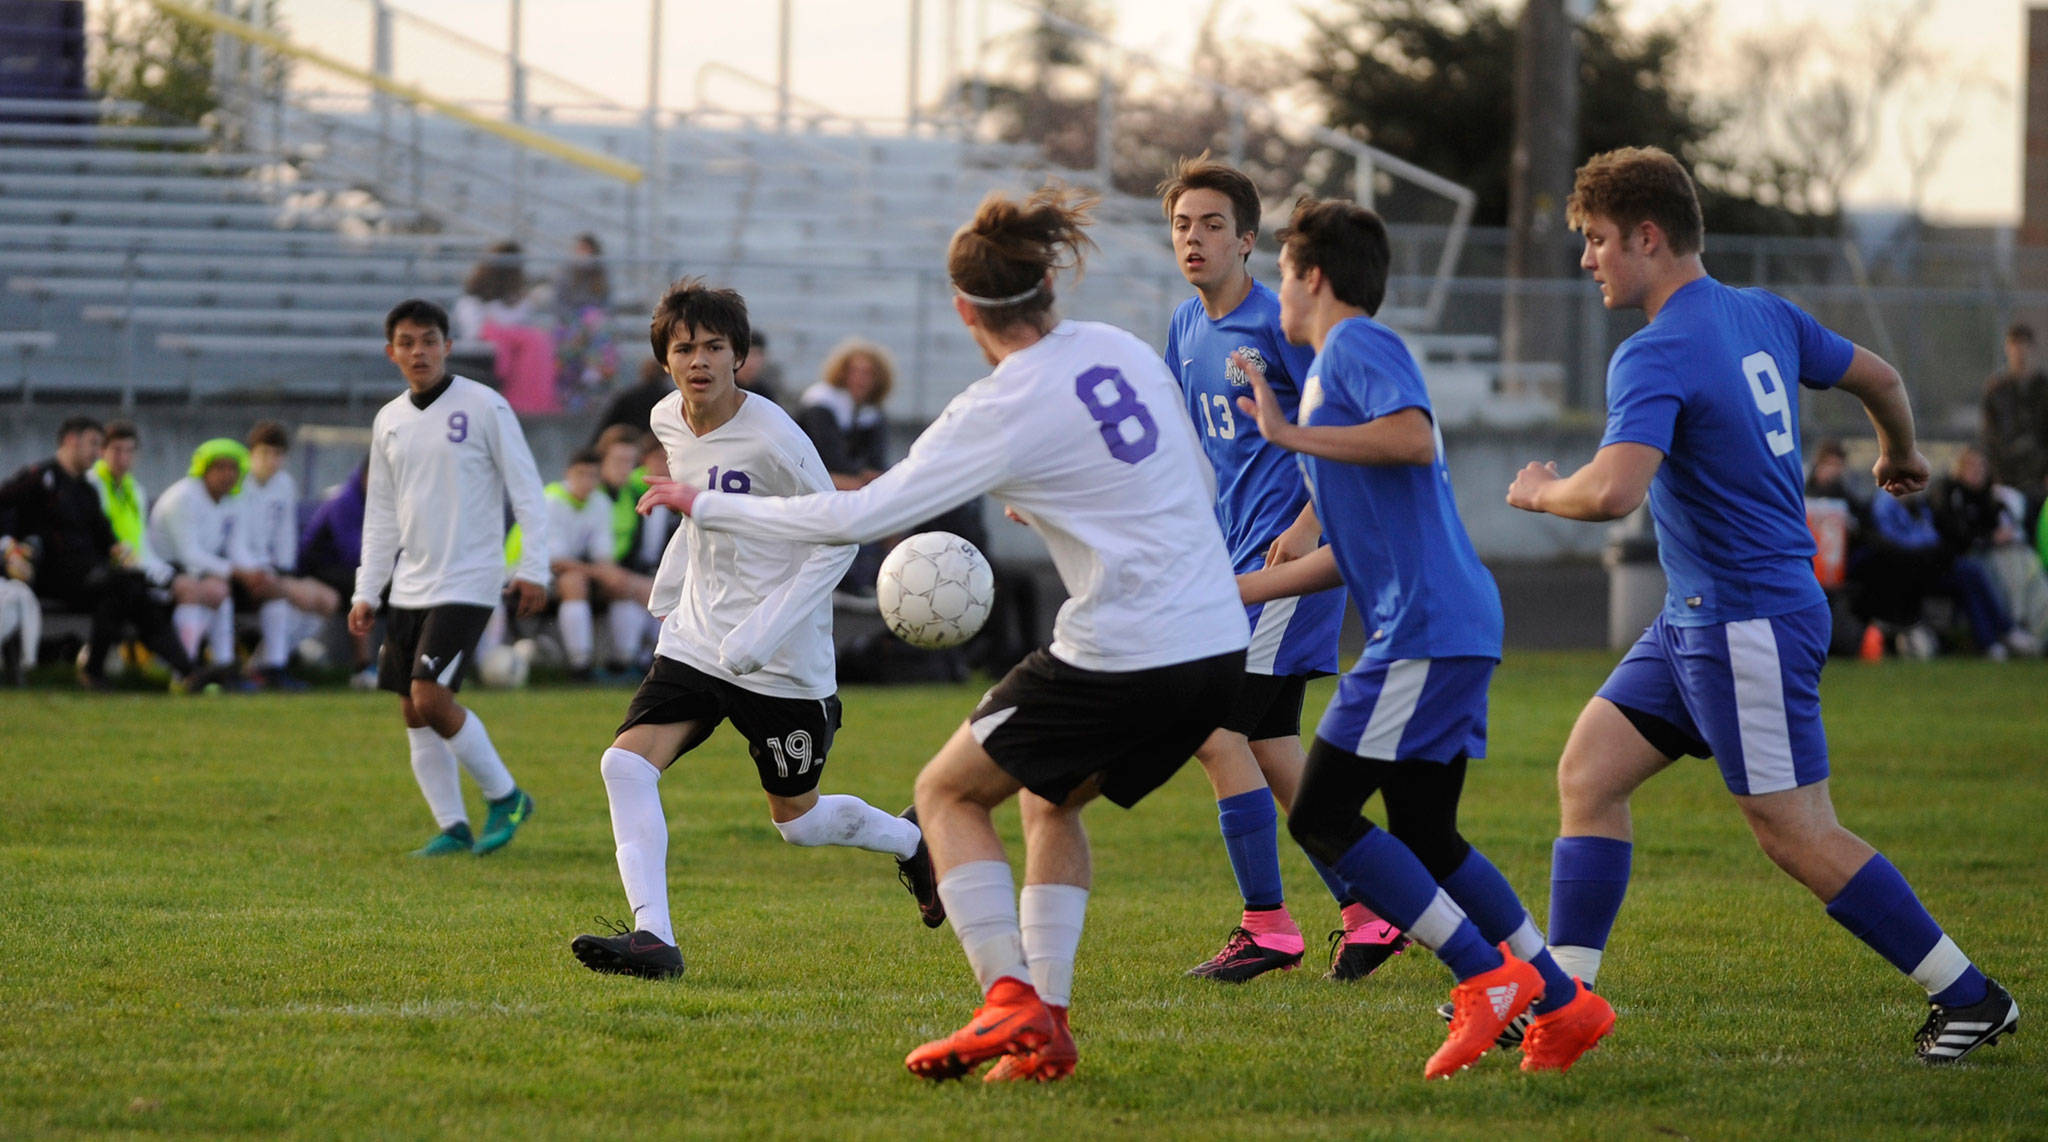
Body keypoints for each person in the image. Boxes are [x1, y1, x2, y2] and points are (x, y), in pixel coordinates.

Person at [643, 188, 1251, 1084]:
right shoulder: (1121, 346)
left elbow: (858, 515)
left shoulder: (997, 406)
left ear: (966, 310)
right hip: (1216, 637)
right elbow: (1184, 477)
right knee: (1051, 802)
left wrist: (703, 500)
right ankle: (1047, 1024)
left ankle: (1006, 997)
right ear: (1049, 280)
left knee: (947, 795)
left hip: (1125, 643)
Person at [1505, 146, 2014, 1064]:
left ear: (1647, 239)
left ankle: (1972, 997)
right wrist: (1899, 453)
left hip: (1744, 620)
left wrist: (1542, 490)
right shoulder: (1761, 314)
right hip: (1704, 616)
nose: (1587, 260)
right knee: (1589, 774)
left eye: (1596, 240)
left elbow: (1614, 493)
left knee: (1795, 832)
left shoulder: (1654, 349)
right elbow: (1882, 378)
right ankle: (1566, 1000)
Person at [1231, 197, 1607, 1080]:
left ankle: (1487, 980)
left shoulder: (1356, 346)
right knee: (1427, 831)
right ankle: (1565, 1003)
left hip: (1425, 631)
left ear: (1314, 277)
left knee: (1322, 813)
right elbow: (1346, 555)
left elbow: (1410, 437)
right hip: (1443, 622)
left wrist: (1286, 433)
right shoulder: (1330, 381)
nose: (1278, 291)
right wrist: (1239, 587)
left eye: (1284, 271)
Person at [567, 278, 939, 982]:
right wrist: (675, 587)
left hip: (780, 660)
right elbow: (700, 511)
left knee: (797, 822)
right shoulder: (668, 420)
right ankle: (654, 937)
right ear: (665, 359)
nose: (700, 360)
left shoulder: (774, 437)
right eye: (685, 348)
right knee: (623, 764)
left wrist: (763, 635)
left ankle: (912, 841)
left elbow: (837, 538)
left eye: (715, 346)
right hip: (698, 639)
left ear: (740, 356)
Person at [1158, 154, 1403, 984]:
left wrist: (1305, 522)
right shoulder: (1184, 330)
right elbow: (1181, 451)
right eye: (1182, 225)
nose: (1194, 238)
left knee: (1216, 728)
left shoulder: (1281, 324)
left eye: (1212, 224)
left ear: (1250, 240)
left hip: (1282, 562)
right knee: (1266, 745)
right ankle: (1371, 911)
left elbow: (1343, 430)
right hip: (1228, 563)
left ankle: (1270, 923)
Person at [348, 298, 549, 857]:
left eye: (429, 340)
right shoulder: (388, 419)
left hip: (470, 576)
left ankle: (506, 796)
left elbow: (527, 490)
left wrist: (533, 567)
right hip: (410, 582)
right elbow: (382, 513)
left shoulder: (485, 406)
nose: (419, 351)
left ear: (448, 346)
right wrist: (368, 588)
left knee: (431, 697)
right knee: (412, 709)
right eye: (407, 342)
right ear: (391, 352)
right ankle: (453, 826)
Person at [0, 417, 211, 692]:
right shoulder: (41, 478)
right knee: (123, 586)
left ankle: (187, 671)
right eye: (93, 444)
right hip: (52, 575)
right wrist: (8, 548)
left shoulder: (85, 490)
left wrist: (119, 551)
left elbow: (105, 536)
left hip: (90, 575)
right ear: (70, 441)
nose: (98, 452)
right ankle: (97, 670)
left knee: (133, 589)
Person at [86, 419, 230, 674]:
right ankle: (182, 669)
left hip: (139, 568)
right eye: (117, 450)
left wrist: (161, 571)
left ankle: (207, 665)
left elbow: (141, 543)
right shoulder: (92, 485)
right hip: (110, 571)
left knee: (213, 589)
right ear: (102, 452)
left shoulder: (134, 490)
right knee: (188, 590)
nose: (123, 458)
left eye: (129, 451)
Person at [233, 421, 341, 688]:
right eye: (264, 454)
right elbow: (234, 539)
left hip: (271, 571)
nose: (271, 461)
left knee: (325, 603)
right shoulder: (238, 485)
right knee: (282, 598)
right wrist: (262, 571)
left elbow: (284, 535)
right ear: (251, 455)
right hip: (240, 571)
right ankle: (272, 668)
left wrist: (285, 570)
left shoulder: (284, 485)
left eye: (277, 454)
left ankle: (262, 666)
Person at [146, 438, 248, 669]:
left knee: (221, 591)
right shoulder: (183, 498)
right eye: (220, 467)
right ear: (203, 469)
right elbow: (188, 555)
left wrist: (259, 573)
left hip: (195, 573)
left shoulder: (232, 500)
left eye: (233, 468)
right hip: (161, 574)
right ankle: (183, 669)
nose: (228, 475)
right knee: (211, 590)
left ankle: (224, 666)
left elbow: (236, 548)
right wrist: (235, 572)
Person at [455, 240, 558, 415]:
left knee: (538, 341)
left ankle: (528, 401)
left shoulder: (515, 299)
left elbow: (516, 320)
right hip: (482, 355)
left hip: (509, 353)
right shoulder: (472, 300)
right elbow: (475, 331)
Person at [300, 459, 375, 686]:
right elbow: (351, 552)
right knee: (363, 590)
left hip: (344, 569)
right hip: (317, 569)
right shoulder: (344, 500)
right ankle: (363, 667)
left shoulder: (378, 502)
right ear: (366, 476)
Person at [1979, 323, 2048, 516]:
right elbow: (1988, 437)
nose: (2020, 353)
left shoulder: (2043, 389)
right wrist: (1992, 476)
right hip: (2005, 476)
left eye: (2024, 346)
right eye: (2015, 346)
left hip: (2038, 477)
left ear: (2032, 349)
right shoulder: (1996, 390)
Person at [552, 232, 620, 413]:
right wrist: (580, 322)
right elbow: (560, 306)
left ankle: (595, 371)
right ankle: (590, 372)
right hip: (571, 326)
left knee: (596, 320)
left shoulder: (601, 277)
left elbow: (607, 306)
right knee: (591, 322)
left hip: (592, 328)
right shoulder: (566, 275)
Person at [735, 328, 785, 407]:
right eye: (749, 354)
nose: (753, 362)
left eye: (758, 355)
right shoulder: (723, 389)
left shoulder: (765, 394)